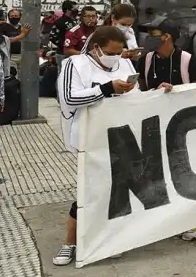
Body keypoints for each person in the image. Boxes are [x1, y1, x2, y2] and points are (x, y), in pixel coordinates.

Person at [53, 26, 139, 266]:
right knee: (88, 189)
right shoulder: (75, 64)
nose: (116, 56)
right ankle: (70, 243)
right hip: (89, 139)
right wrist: (106, 89)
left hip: (121, 136)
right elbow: (69, 98)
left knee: (116, 191)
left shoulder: (124, 63)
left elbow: (137, 96)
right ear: (96, 48)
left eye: (120, 51)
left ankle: (108, 239)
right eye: (111, 52)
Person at [136, 16, 196, 242]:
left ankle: (186, 221)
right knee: (154, 171)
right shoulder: (145, 60)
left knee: (181, 172)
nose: (147, 38)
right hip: (152, 125)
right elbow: (141, 89)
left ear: (167, 37)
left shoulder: (187, 60)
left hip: (180, 126)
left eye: (153, 34)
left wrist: (176, 91)